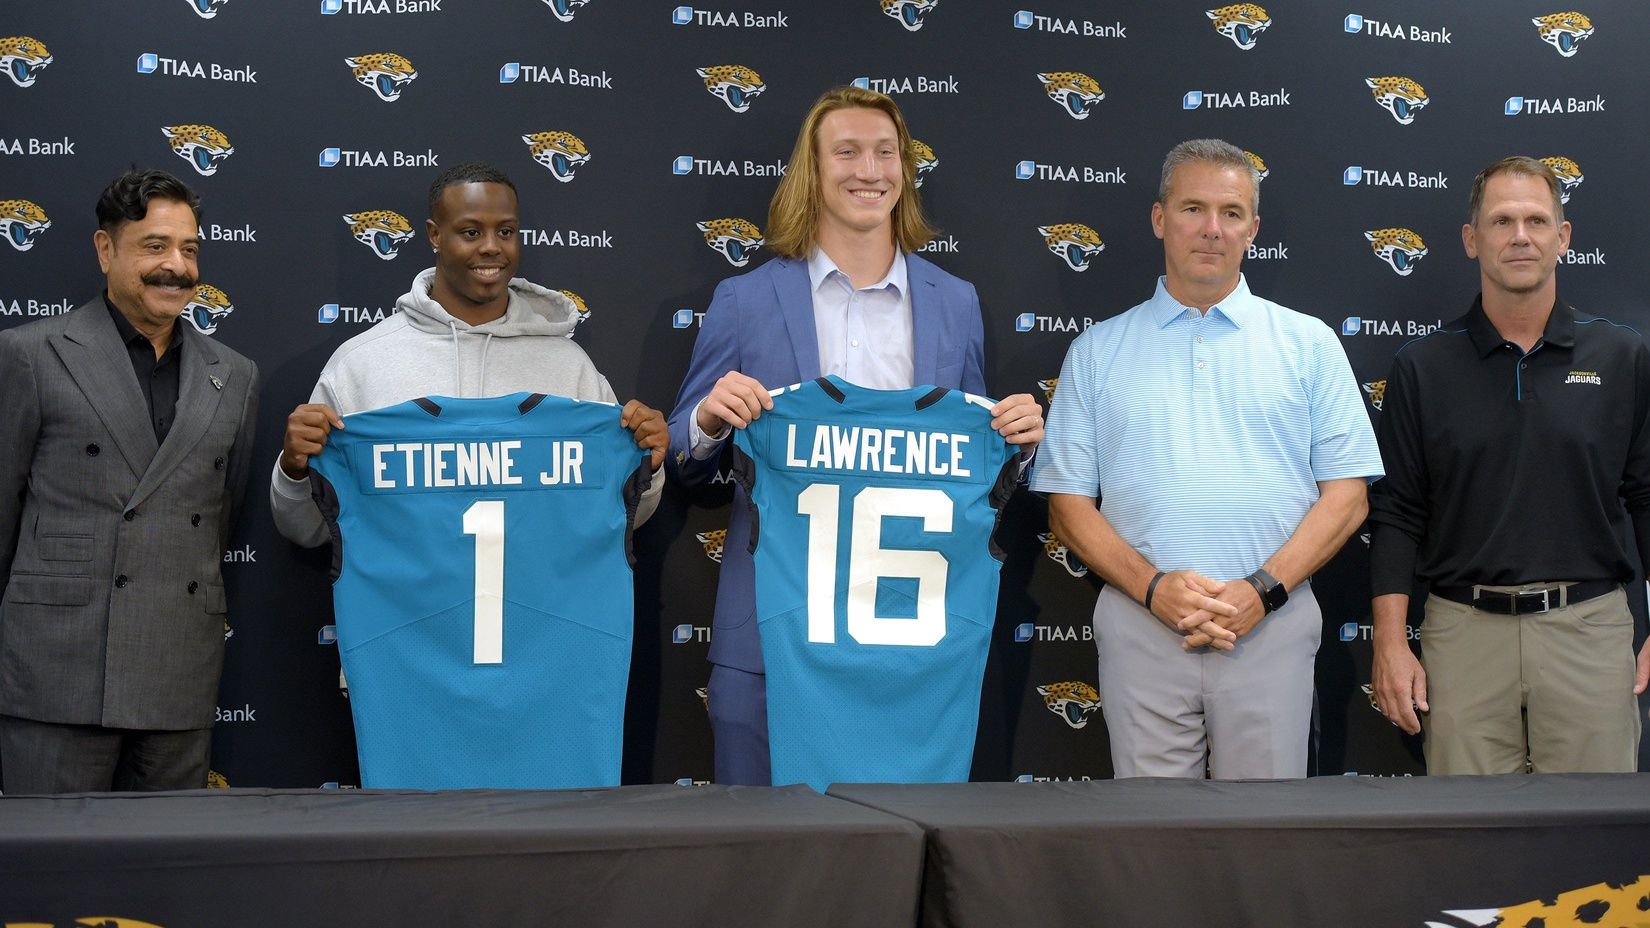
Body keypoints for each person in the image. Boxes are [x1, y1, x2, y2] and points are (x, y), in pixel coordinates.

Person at [668, 86, 1044, 785]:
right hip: (771, 635)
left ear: (906, 170)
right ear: (812, 170)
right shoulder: (744, 301)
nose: (869, 170)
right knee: (769, 866)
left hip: (910, 639)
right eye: (846, 152)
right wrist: (708, 420)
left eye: (885, 153)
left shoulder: (955, 303)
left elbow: (969, 473)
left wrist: (1016, 444)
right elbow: (682, 464)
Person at [1033, 138, 1382, 779]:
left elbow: (1348, 497)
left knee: (1267, 838)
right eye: (1193, 208)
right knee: (1152, 840)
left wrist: (1262, 591)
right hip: (1143, 624)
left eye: (1231, 211)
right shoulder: (1096, 350)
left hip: (1270, 626)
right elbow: (1067, 506)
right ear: (1160, 218)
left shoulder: (1309, 344)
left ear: (1253, 227)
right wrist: (1153, 589)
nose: (1212, 229)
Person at [1368, 155, 1650, 774]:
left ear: (1563, 237)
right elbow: (1396, 514)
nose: (1520, 236)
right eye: (1501, 221)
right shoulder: (1423, 366)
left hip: (1592, 630)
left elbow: (1646, 497)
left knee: (1593, 853)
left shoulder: (1623, 356)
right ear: (1473, 240)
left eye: (1535, 220)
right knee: (1469, 848)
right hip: (1462, 635)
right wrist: (1389, 643)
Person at [0, 169, 259, 792]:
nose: (177, 266)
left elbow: (222, 515)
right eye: (155, 246)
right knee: (52, 878)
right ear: (105, 249)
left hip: (178, 669)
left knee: (168, 880)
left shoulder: (236, 375)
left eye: (190, 249)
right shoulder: (31, 354)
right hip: (59, 669)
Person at [270, 161, 666, 545]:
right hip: (408, 610)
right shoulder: (361, 365)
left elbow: (618, 515)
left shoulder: (569, 365)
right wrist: (294, 471)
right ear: (434, 235)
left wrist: (647, 463)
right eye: (471, 232)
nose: (492, 247)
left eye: (506, 231)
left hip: (535, 608)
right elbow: (307, 530)